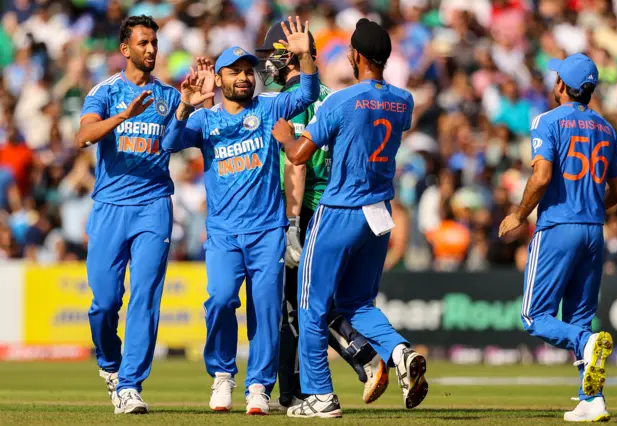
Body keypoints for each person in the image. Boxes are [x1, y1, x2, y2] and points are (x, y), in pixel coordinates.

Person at [162, 16, 319, 416]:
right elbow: (168, 142)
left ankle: (258, 387)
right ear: (219, 78)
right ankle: (222, 375)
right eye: (235, 72)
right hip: (223, 234)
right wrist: (184, 104)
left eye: (249, 71)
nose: (245, 78)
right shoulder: (205, 118)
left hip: (267, 230)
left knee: (266, 309)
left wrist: (304, 58)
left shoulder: (268, 108)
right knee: (219, 301)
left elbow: (307, 92)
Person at [271, 18, 428, 419]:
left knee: (311, 306)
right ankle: (399, 351)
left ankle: (321, 396)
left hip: (339, 210)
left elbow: (299, 156)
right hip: (378, 213)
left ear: (355, 56)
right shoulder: (404, 101)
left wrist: (286, 135)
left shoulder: (340, 100)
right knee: (359, 303)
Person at [255, 22, 387, 410]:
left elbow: (297, 165)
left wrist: (293, 225)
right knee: (316, 303)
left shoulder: (292, 98)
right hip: (343, 208)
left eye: (270, 57)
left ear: (286, 56)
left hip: (308, 210)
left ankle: (328, 377)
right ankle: (359, 361)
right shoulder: (332, 95)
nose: (266, 67)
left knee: (298, 308)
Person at [498, 53, 617, 423]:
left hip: (557, 227)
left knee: (533, 315)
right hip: (593, 229)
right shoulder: (606, 128)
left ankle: (586, 347)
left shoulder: (547, 121)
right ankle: (593, 400)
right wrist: (592, 209)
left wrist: (518, 215)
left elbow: (540, 178)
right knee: (580, 319)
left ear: (560, 85)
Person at [75, 15, 182, 414]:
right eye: (143, 43)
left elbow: (183, 136)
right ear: (125, 50)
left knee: (145, 297)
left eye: (154, 42)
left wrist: (190, 105)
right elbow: (82, 136)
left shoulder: (169, 95)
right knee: (104, 303)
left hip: (154, 205)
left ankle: (130, 385)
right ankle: (110, 365)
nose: (151, 49)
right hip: (109, 208)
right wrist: (123, 116)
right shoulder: (104, 92)